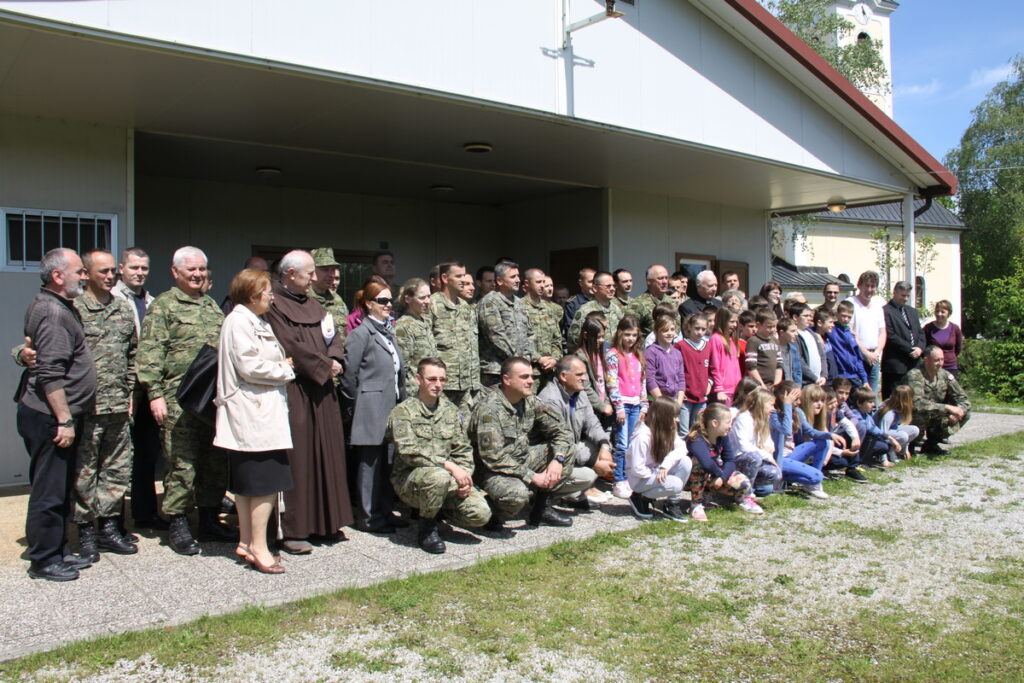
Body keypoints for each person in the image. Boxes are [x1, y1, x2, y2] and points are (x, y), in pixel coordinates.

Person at [137, 246, 231, 556]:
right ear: (175, 272)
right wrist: (155, 395)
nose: (198, 275)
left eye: (202, 269)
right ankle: (178, 523)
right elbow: (150, 353)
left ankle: (209, 519)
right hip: (178, 401)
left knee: (214, 462)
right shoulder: (164, 306)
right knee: (181, 464)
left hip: (210, 401)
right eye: (191, 270)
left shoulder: (211, 307)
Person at [265, 250, 353, 553]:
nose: (315, 277)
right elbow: (289, 344)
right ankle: (296, 529)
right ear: (291, 274)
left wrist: (336, 359)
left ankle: (327, 523)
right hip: (296, 390)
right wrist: (323, 366)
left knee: (328, 454)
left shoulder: (316, 305)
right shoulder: (273, 305)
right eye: (310, 272)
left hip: (323, 391)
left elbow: (333, 337)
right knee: (300, 459)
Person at [17, 249, 96, 581]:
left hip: (58, 415)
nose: (85, 276)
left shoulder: (61, 306)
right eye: (79, 271)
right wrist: (64, 419)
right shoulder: (53, 312)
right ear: (58, 276)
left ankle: (59, 550)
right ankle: (44, 560)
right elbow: (50, 374)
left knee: (60, 488)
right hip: (50, 417)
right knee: (49, 491)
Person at [214, 268, 295, 574]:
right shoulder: (239, 321)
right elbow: (249, 366)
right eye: (267, 292)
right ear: (252, 295)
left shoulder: (252, 320)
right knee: (263, 485)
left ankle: (247, 542)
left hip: (257, 415)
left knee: (250, 485)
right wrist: (285, 369)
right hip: (254, 417)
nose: (272, 297)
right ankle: (260, 547)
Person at [468, 357, 587, 531]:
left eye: (531, 376)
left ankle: (542, 508)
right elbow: (493, 457)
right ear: (507, 380)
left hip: (521, 459)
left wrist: (558, 459)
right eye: (524, 377)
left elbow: (561, 431)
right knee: (517, 495)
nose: (531, 381)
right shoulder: (489, 409)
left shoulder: (529, 400)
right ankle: (494, 512)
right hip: (491, 471)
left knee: (567, 449)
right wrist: (532, 477)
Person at [388, 358, 491, 554]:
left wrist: (464, 478)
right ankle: (427, 528)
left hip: (447, 481)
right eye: (432, 379)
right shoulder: (402, 412)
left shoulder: (450, 410)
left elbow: (463, 449)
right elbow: (409, 452)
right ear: (418, 379)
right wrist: (449, 466)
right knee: (438, 476)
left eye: (442, 380)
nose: (437, 385)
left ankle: (438, 511)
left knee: (481, 514)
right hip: (410, 481)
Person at [342, 280, 406, 534]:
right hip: (369, 408)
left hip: (390, 407)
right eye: (382, 301)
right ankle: (368, 517)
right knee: (369, 465)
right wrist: (355, 406)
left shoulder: (388, 332)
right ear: (368, 304)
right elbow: (349, 376)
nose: (388, 305)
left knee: (386, 464)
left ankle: (385, 511)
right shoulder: (360, 334)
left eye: (390, 300)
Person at [111, 247, 164, 530]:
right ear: (121, 269)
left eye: (144, 268)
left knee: (146, 453)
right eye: (134, 267)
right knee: (118, 457)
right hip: (122, 390)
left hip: (148, 389)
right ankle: (112, 522)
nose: (140, 273)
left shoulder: (152, 302)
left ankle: (145, 514)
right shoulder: (112, 299)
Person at [537, 356, 611, 507]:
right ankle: (545, 499)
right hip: (550, 454)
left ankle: (573, 495)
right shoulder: (550, 399)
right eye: (579, 375)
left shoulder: (580, 393)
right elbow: (559, 442)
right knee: (588, 475)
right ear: (563, 376)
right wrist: (593, 463)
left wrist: (605, 446)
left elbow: (592, 423)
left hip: (570, 449)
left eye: (585, 374)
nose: (585, 378)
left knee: (600, 449)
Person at [685, 403, 763, 520]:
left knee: (743, 482)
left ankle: (742, 500)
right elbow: (706, 463)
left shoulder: (723, 436)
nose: (730, 426)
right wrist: (720, 476)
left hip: (712, 474)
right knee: (698, 465)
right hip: (689, 478)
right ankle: (696, 505)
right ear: (715, 423)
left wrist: (722, 478)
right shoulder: (696, 438)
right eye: (728, 422)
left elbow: (730, 460)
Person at [625, 396, 691, 522]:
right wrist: (657, 474)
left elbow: (682, 448)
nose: (677, 420)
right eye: (674, 417)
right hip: (640, 479)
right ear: (663, 417)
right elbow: (637, 469)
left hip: (655, 471)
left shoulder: (668, 430)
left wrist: (665, 465)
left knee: (685, 462)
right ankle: (640, 497)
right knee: (676, 484)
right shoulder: (642, 437)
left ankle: (672, 504)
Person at [604, 316, 648, 499]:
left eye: (634, 335)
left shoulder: (638, 355)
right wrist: (619, 407)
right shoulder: (613, 355)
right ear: (620, 334)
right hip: (622, 404)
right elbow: (612, 382)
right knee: (621, 444)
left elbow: (642, 381)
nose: (630, 339)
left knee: (632, 443)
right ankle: (619, 479)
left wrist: (644, 405)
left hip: (636, 404)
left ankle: (629, 477)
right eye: (627, 334)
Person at [430, 261, 480, 417]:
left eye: (464, 275)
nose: (463, 280)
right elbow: (426, 346)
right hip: (443, 384)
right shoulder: (432, 305)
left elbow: (472, 345)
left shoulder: (466, 307)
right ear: (445, 278)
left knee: (465, 427)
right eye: (458, 276)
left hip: (467, 385)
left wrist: (474, 382)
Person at [905, 346, 971, 455]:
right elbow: (917, 403)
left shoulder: (944, 375)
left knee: (965, 413)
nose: (940, 363)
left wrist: (958, 411)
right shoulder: (914, 375)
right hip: (914, 415)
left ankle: (931, 445)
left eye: (942, 359)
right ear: (926, 360)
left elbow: (963, 398)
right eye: (936, 360)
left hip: (935, 413)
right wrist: (946, 408)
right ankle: (910, 446)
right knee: (921, 414)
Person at [478, 261, 533, 387]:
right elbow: (496, 337)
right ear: (499, 281)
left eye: (518, 276)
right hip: (496, 371)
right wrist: (518, 360)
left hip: (520, 369)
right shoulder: (490, 302)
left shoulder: (520, 303)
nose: (518, 280)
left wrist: (526, 358)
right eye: (513, 277)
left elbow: (530, 334)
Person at [769, 385, 828, 499]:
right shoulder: (774, 414)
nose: (799, 402)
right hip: (779, 459)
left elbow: (811, 432)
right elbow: (786, 430)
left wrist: (830, 435)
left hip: (791, 455)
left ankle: (812, 485)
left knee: (822, 442)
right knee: (817, 476)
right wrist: (787, 405)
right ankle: (780, 478)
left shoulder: (797, 411)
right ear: (784, 397)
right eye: (796, 399)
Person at [729, 386, 784, 497]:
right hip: (738, 459)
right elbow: (744, 447)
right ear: (761, 404)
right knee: (754, 457)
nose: (773, 409)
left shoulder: (763, 420)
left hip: (756, 460)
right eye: (771, 405)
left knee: (775, 475)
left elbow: (768, 443)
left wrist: (768, 449)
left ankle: (750, 486)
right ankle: (745, 493)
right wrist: (766, 455)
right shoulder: (743, 419)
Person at [393, 277, 437, 397]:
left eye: (429, 296)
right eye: (422, 298)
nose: (427, 301)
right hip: (413, 392)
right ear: (408, 299)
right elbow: (402, 367)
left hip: (428, 389)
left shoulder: (424, 321)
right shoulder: (403, 326)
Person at [846, 271, 887, 395]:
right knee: (858, 395)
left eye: (873, 286)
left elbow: (882, 332)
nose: (869, 289)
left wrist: (876, 353)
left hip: (874, 357)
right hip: (857, 356)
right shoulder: (850, 303)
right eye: (867, 286)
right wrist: (865, 353)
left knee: (872, 396)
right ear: (859, 285)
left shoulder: (878, 305)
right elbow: (850, 332)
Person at [881, 281, 924, 398]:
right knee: (894, 400)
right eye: (903, 295)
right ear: (895, 293)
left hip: (914, 365)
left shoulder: (912, 311)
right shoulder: (885, 311)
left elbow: (920, 333)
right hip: (895, 365)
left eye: (907, 296)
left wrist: (920, 348)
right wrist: (910, 349)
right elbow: (890, 335)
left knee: (913, 399)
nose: (905, 299)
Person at [645, 315, 686, 429]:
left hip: (674, 401)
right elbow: (650, 380)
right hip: (657, 402)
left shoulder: (677, 353)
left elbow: (681, 379)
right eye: (665, 330)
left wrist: (678, 404)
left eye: (672, 329)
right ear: (656, 332)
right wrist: (664, 405)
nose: (670, 333)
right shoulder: (651, 352)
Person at [567, 271, 623, 350]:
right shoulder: (586, 311)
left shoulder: (617, 309)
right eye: (608, 286)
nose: (612, 289)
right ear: (595, 288)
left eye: (614, 286)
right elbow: (573, 340)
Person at [307, 248, 350, 351]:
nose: (331, 275)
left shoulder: (337, 300)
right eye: (325, 269)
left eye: (333, 269)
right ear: (312, 271)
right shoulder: (303, 298)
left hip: (339, 357)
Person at [522, 268, 561, 381]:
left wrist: (554, 359)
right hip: (530, 370)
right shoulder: (519, 307)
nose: (542, 285)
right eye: (538, 282)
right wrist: (538, 359)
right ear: (527, 283)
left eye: (543, 282)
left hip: (550, 370)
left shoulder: (550, 308)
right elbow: (519, 340)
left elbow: (556, 339)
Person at [574, 317, 614, 426]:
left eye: (603, 337)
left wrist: (606, 403)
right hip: (591, 410)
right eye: (598, 337)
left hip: (605, 407)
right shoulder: (581, 357)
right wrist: (601, 406)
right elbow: (586, 387)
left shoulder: (601, 354)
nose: (602, 340)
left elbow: (605, 381)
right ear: (586, 335)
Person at [677, 312, 712, 426]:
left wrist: (709, 383)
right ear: (689, 327)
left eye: (703, 329)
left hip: (702, 397)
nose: (700, 332)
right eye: (697, 328)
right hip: (685, 397)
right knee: (683, 431)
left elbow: (712, 369)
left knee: (696, 429)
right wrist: (679, 390)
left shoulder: (708, 346)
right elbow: (675, 370)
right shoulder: (680, 346)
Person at [827, 301, 869, 388]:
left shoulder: (851, 334)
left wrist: (864, 379)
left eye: (849, 317)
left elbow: (858, 358)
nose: (846, 319)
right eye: (843, 316)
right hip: (839, 374)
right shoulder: (831, 330)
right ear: (837, 314)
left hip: (853, 375)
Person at [875, 384, 920, 463]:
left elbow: (902, 425)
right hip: (880, 435)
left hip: (892, 430)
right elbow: (882, 433)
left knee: (914, 429)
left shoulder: (900, 408)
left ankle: (899, 451)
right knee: (903, 436)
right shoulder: (889, 413)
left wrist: (906, 450)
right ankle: (888, 452)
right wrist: (883, 460)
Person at [626, 264, 674, 337]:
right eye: (660, 278)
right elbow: (628, 330)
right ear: (649, 281)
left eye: (666, 278)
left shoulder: (672, 302)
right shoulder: (638, 304)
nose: (664, 281)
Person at [708, 307, 742, 406]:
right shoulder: (716, 339)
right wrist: (719, 389)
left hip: (735, 389)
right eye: (731, 322)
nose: (735, 325)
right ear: (722, 321)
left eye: (736, 322)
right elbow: (715, 366)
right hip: (723, 391)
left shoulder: (732, 339)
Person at [923, 300, 964, 379]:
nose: (939, 314)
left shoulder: (955, 329)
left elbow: (958, 348)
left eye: (942, 312)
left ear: (949, 313)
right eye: (937, 311)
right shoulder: (928, 328)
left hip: (950, 367)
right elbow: (923, 347)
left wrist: (948, 358)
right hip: (933, 367)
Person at [790, 302, 827, 387]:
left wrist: (824, 375)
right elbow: (799, 360)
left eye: (810, 316)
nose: (809, 319)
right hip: (805, 382)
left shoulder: (812, 334)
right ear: (795, 317)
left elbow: (822, 355)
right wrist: (814, 378)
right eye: (806, 316)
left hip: (819, 381)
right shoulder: (794, 336)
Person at [745, 310, 782, 388]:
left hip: (773, 385)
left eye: (774, 326)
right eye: (769, 327)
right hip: (759, 385)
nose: (773, 329)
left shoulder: (775, 340)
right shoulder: (753, 341)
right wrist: (761, 385)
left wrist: (776, 385)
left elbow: (779, 365)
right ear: (758, 325)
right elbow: (751, 366)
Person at [562, 267, 596, 337]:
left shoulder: (601, 299)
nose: (593, 285)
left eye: (595, 282)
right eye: (590, 282)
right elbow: (570, 330)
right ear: (581, 283)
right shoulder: (573, 303)